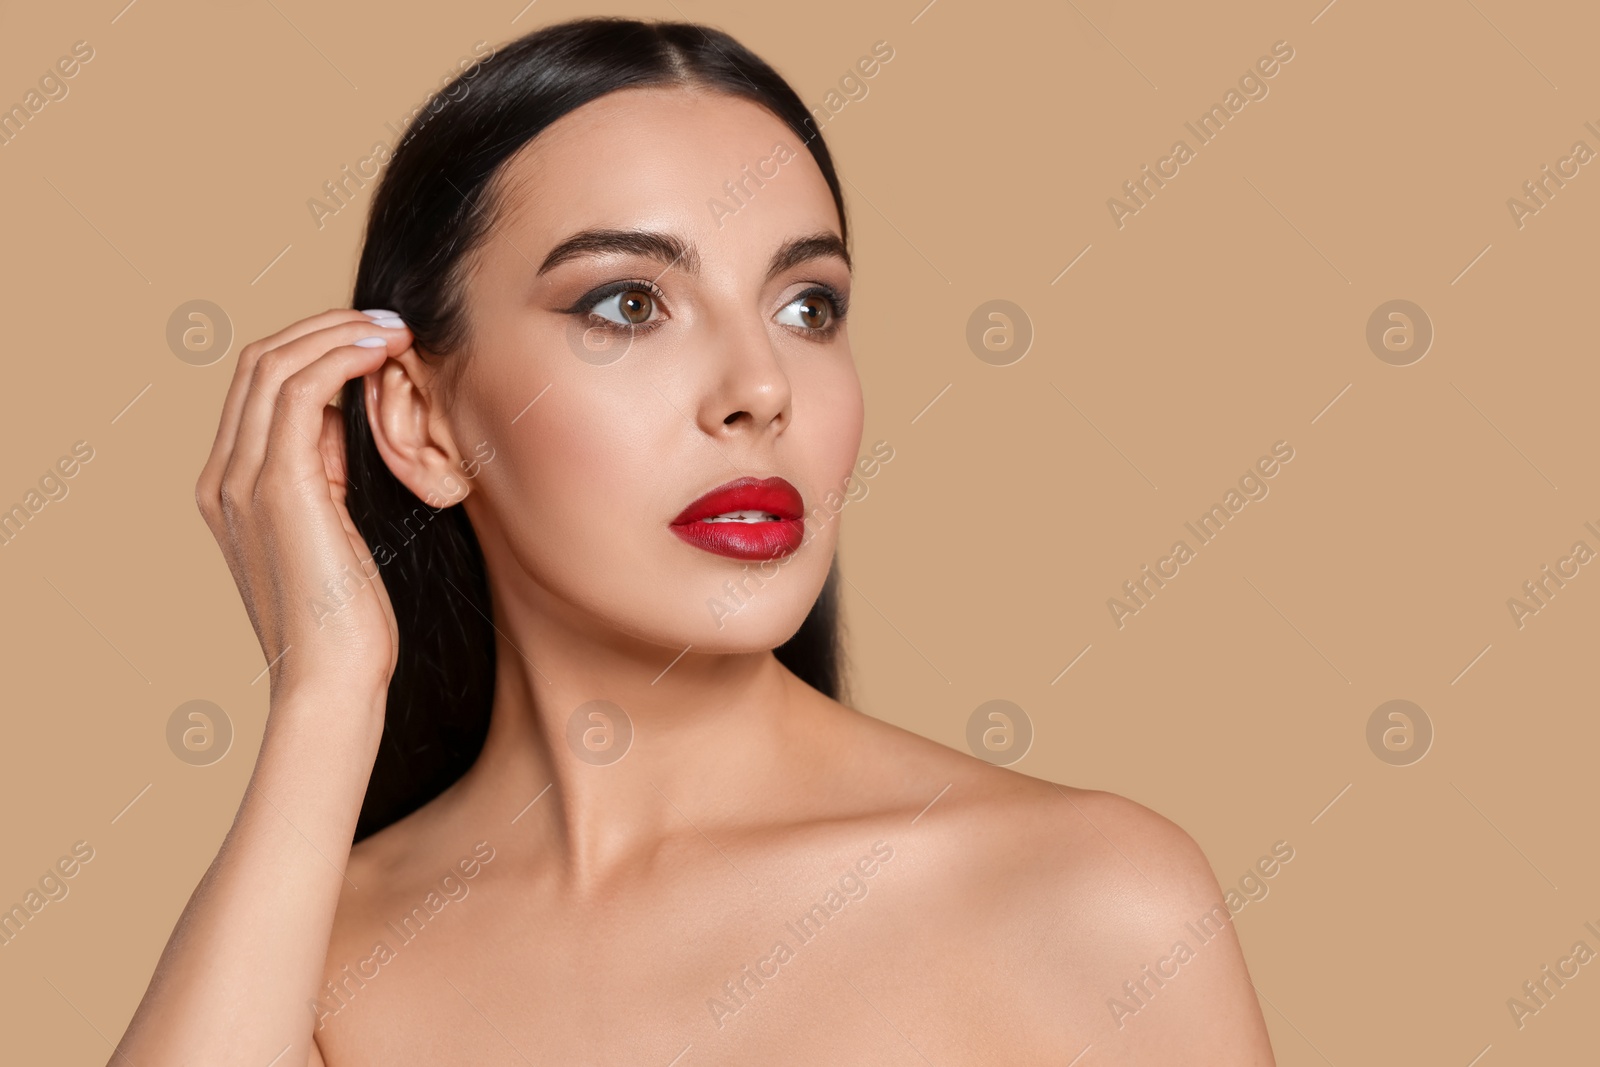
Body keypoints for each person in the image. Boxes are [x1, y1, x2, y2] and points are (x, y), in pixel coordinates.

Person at [113, 16, 1276, 1064]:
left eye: (805, 305)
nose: (759, 386)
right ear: (420, 422)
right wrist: (323, 690)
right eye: (628, 303)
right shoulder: (308, 958)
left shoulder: (1081, 898)